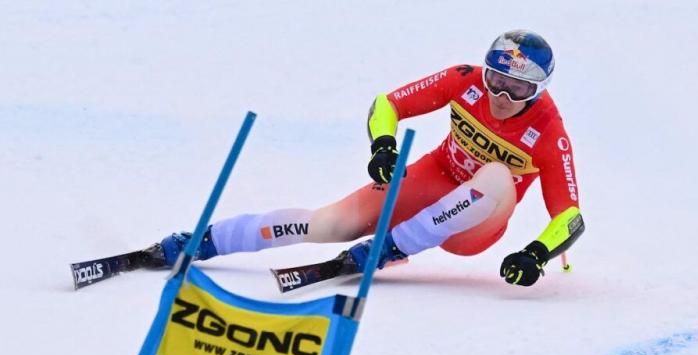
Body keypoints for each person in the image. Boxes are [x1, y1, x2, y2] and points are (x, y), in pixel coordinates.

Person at [150, 29, 585, 287]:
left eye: (520, 89)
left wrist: (536, 253)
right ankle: (206, 240)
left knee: (496, 175)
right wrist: (383, 145)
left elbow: (570, 216)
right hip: (434, 179)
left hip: (473, 226)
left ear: (541, 89)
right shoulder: (463, 81)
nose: (503, 96)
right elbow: (387, 104)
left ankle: (391, 247)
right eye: (496, 80)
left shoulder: (549, 133)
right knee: (332, 222)